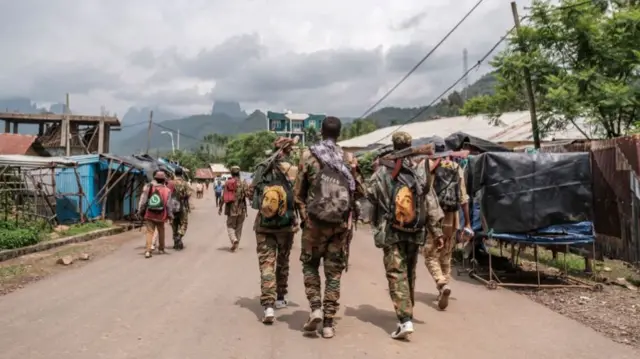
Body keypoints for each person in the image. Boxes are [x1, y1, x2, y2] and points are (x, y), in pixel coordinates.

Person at [366, 131, 445, 340]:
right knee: (410, 272)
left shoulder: (384, 170)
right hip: (415, 230)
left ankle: (404, 320)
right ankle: (408, 312)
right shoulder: (418, 169)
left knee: (396, 273)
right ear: (411, 144)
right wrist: (437, 232)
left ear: (393, 144)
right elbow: (429, 201)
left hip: (392, 230)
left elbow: (370, 194)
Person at [294, 116, 365, 339]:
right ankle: (328, 323)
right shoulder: (348, 159)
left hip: (314, 223)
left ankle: (315, 307)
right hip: (340, 225)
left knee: (309, 265)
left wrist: (305, 216)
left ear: (321, 132)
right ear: (339, 134)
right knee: (334, 273)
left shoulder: (309, 155)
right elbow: (361, 191)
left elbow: (298, 194)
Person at [250, 136, 299, 324]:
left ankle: (268, 306)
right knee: (283, 262)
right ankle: (280, 298)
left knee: (266, 264)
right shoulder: (294, 170)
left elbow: (252, 194)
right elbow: (299, 196)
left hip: (264, 224)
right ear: (288, 150)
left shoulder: (263, 167)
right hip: (287, 225)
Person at [423, 147, 471, 310]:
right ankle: (444, 287)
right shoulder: (457, 167)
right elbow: (463, 198)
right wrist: (468, 223)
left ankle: (441, 282)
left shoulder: (430, 166)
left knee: (430, 255)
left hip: (435, 216)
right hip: (452, 217)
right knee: (446, 255)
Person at [137, 170, 174, 259]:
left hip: (149, 213)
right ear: (164, 180)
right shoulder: (167, 190)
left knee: (150, 232)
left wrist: (140, 211)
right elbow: (168, 205)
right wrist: (170, 215)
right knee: (161, 231)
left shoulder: (148, 187)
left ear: (155, 179)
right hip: (161, 215)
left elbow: (143, 200)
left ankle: (148, 251)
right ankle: (161, 249)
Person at [219, 166, 249, 251]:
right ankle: (237, 245)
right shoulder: (243, 183)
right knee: (239, 227)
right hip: (241, 209)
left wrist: (220, 207)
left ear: (231, 173)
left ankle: (234, 239)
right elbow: (248, 194)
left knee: (230, 226)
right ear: (239, 173)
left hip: (231, 209)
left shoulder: (228, 183)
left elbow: (223, 197)